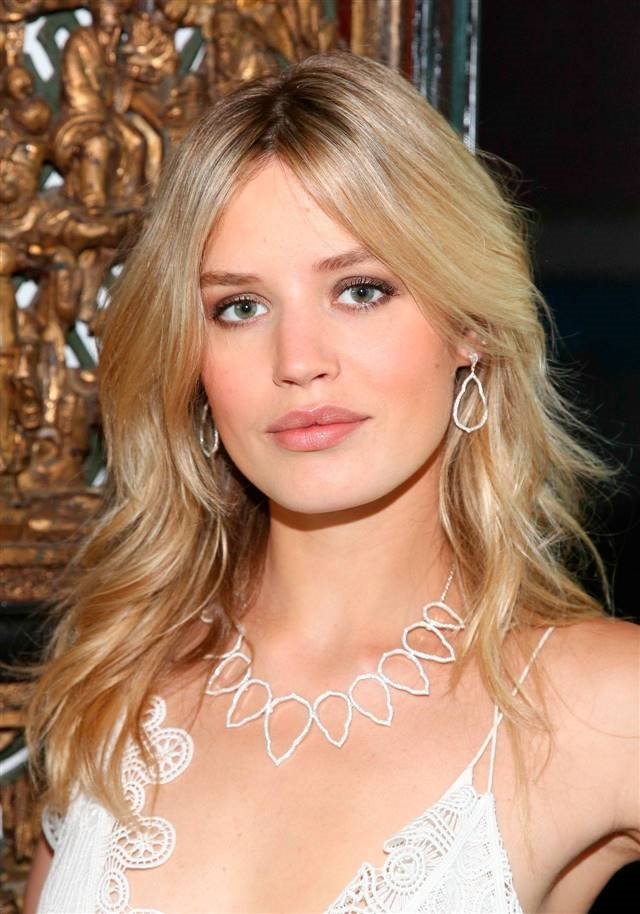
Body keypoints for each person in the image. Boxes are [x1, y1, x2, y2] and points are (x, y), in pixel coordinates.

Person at [24, 50, 638, 914]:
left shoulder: (596, 703)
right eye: (240, 307)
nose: (299, 360)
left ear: (469, 326)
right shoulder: (116, 679)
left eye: (360, 290)